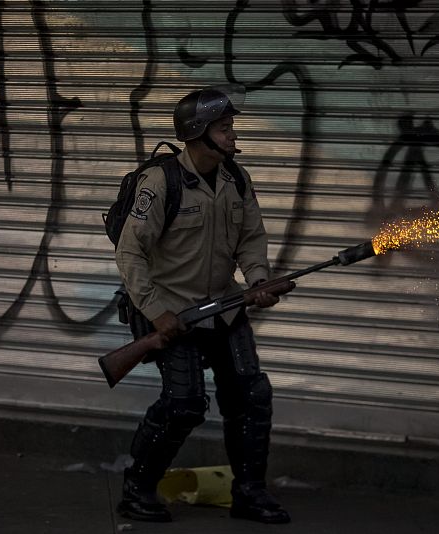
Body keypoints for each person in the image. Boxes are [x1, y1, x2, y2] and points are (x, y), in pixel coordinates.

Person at [114, 85, 291, 524]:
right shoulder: (161, 183)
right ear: (198, 134)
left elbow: (251, 239)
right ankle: (137, 490)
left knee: (251, 396)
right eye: (224, 128)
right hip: (174, 312)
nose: (232, 136)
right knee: (184, 404)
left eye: (231, 127)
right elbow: (130, 252)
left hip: (225, 308)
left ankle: (249, 493)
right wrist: (155, 311)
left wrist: (259, 281)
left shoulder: (236, 178)